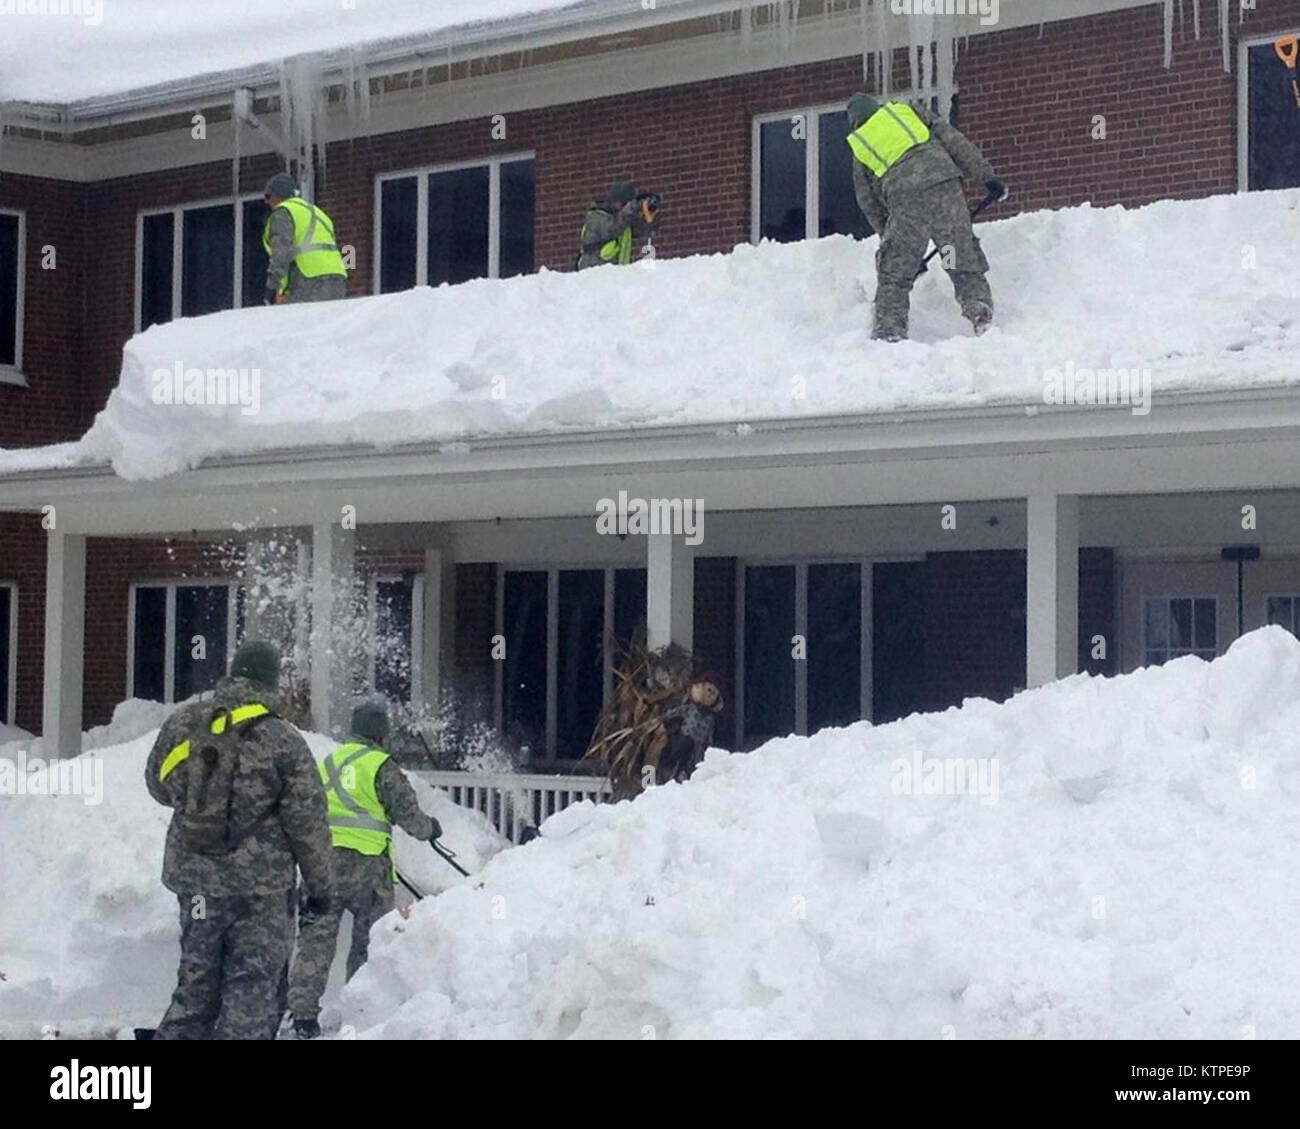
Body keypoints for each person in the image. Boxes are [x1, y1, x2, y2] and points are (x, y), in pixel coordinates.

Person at [144, 638, 333, 1040]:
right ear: (271, 681)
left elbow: (157, 786)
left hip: (195, 888)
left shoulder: (184, 723)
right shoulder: (283, 740)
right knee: (252, 991)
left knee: (195, 987)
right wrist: (320, 890)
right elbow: (307, 823)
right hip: (260, 893)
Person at [286, 697, 443, 1039]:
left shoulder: (328, 762)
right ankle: (359, 1013)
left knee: (315, 940)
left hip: (321, 866)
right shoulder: (381, 766)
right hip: (366, 869)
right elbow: (410, 818)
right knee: (369, 941)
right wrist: (432, 828)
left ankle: (301, 1017)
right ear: (381, 736)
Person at [845, 92, 1007, 342]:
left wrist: (893, 242)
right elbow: (953, 140)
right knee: (957, 252)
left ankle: (890, 335)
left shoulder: (861, 144)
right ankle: (980, 314)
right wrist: (986, 175)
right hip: (945, 187)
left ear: (855, 122)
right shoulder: (907, 112)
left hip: (907, 200)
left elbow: (869, 202)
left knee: (895, 275)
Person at [261, 172, 348, 304]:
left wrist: (272, 286)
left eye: (268, 196)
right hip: (338, 279)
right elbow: (344, 250)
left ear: (278, 195)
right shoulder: (319, 214)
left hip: (309, 279)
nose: (266, 202)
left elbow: (281, 252)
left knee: (302, 321)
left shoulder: (284, 212)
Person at [576, 180, 657, 269]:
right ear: (612, 200)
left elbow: (640, 230)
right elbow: (612, 229)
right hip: (594, 272)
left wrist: (646, 213)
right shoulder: (596, 217)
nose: (623, 207)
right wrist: (630, 209)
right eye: (622, 203)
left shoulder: (623, 219)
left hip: (615, 274)